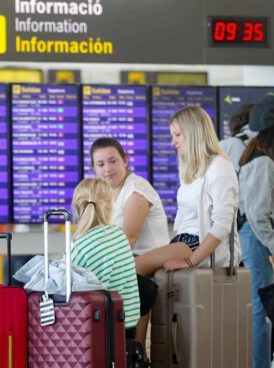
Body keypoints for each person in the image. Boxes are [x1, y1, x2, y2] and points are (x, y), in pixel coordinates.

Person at [135, 106, 240, 275]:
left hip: (199, 244)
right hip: (183, 241)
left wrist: (190, 261)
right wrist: (170, 248)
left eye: (177, 135)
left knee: (133, 269)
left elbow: (222, 224)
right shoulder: (190, 171)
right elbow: (181, 218)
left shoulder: (219, 167)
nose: (173, 142)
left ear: (194, 133)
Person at [90, 137, 168, 363]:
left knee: (114, 280)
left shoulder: (136, 188)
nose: (107, 169)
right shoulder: (105, 196)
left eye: (113, 161)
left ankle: (134, 352)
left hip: (146, 261)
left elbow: (129, 238)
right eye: (101, 164)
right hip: (128, 260)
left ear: (125, 160)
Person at [238, 94, 274, 368]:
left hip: (257, 238)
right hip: (256, 238)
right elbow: (258, 215)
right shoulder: (264, 162)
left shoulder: (262, 157)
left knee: (267, 310)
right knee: (263, 312)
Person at [70, 178, 141, 338]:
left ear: (76, 208)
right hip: (127, 325)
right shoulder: (118, 234)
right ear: (109, 206)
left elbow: (70, 292)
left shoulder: (78, 246)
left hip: (97, 328)